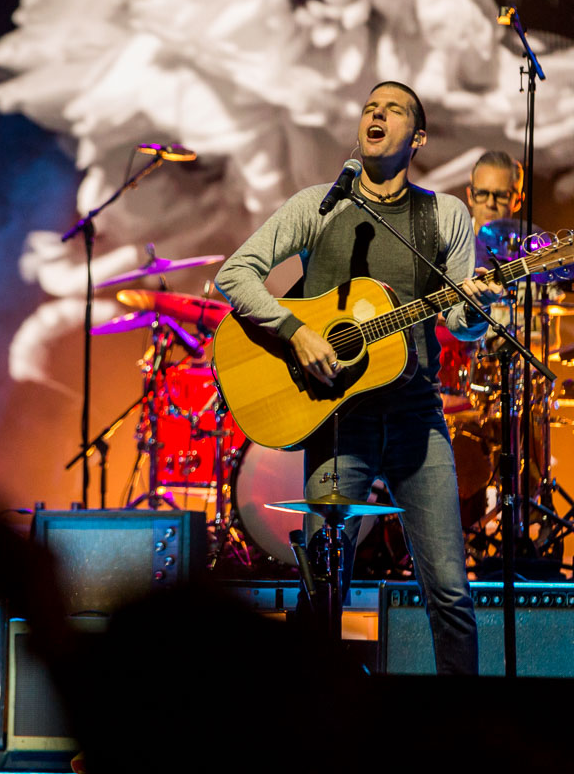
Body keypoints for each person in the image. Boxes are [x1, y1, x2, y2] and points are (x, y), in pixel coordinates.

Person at [215, 82, 503, 674]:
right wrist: (296, 330)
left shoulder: (444, 214)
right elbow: (233, 274)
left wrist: (478, 307)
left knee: (450, 592)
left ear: (417, 139)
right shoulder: (319, 205)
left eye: (393, 109)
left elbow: (458, 320)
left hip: (416, 423)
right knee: (323, 592)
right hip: (337, 419)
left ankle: (467, 740)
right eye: (371, 106)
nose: (376, 112)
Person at [466, 150, 524, 236]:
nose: (490, 204)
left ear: (518, 201)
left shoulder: (526, 247)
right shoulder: (448, 244)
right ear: (470, 196)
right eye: (482, 193)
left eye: (501, 195)